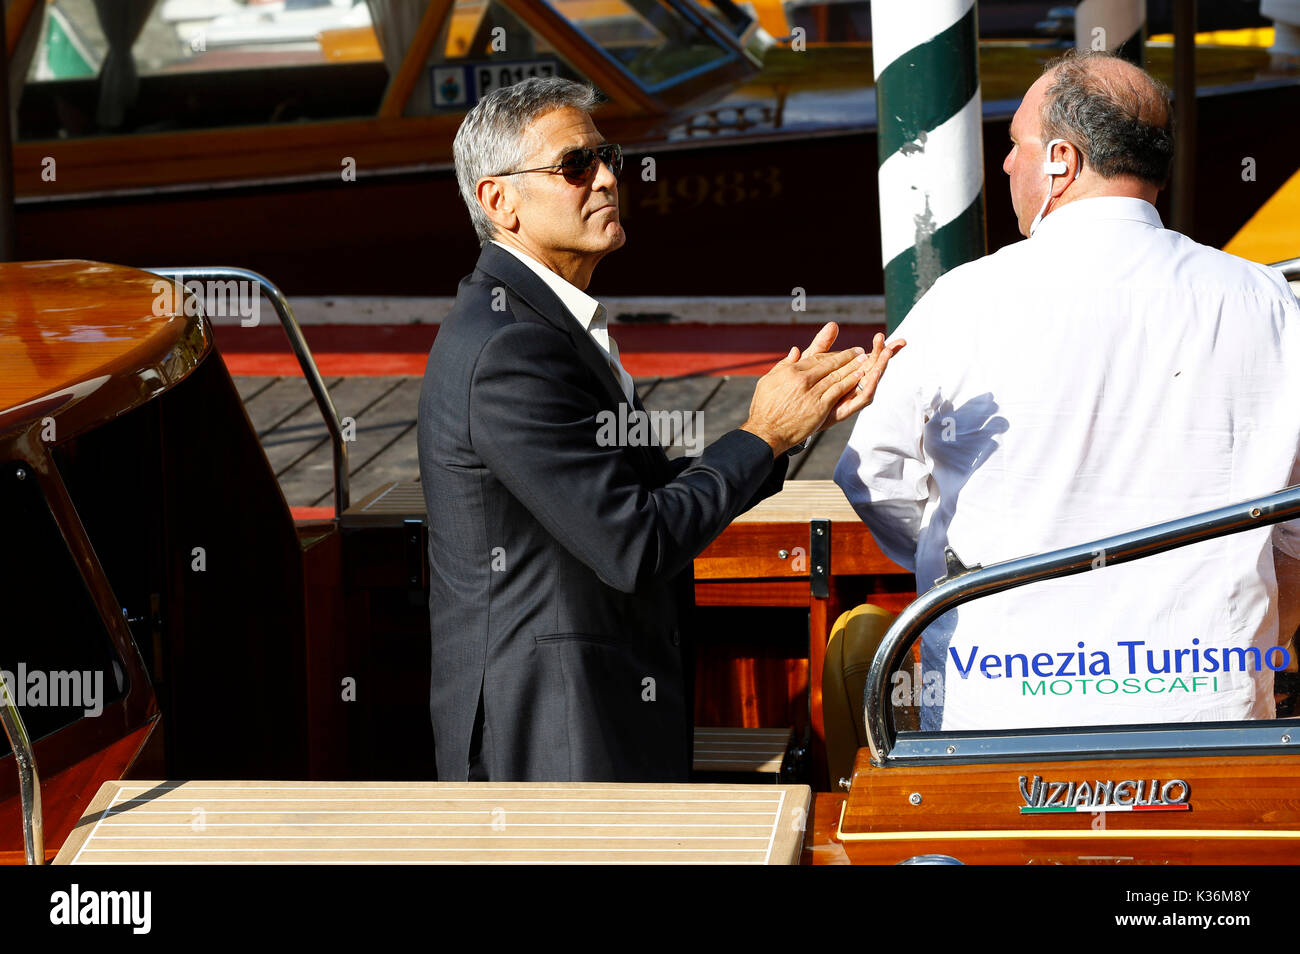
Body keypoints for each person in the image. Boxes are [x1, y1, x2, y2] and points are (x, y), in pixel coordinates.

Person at [418, 77, 903, 781]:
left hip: (586, 709)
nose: (610, 178)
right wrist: (762, 436)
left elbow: (627, 499)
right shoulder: (509, 349)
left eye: (606, 155)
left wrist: (783, 430)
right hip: (553, 736)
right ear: (501, 201)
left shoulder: (538, 323)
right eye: (575, 166)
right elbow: (633, 542)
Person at [834, 50, 1300, 732]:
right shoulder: (1265, 301)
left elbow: (874, 475)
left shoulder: (965, 300)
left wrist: (962, 571)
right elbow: (1292, 526)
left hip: (998, 703)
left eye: (1015, 144)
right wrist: (1259, 632)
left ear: (1061, 160)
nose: (1005, 165)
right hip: (1206, 703)